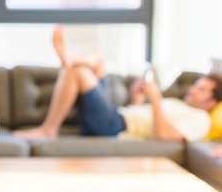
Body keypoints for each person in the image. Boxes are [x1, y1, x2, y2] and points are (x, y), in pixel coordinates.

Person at [13, 25, 222, 142]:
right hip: (117, 115)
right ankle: (69, 60)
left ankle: (49, 128)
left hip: (112, 127)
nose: (193, 88)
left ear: (212, 102)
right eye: (197, 84)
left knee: (80, 73)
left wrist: (156, 98)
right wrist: (138, 100)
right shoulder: (182, 105)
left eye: (202, 89)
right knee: (99, 58)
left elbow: (165, 135)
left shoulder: (201, 119)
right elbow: (144, 121)